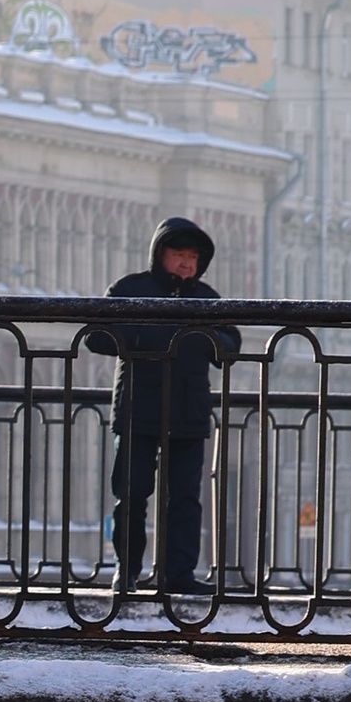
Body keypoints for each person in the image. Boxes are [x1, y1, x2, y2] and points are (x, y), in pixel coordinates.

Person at [81, 215, 239, 603]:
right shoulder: (130, 290)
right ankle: (127, 570)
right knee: (131, 496)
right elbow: (95, 337)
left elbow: (231, 344)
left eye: (193, 256)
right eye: (178, 254)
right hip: (138, 410)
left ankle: (178, 573)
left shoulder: (207, 298)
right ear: (160, 254)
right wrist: (147, 334)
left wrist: (202, 340)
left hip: (189, 412)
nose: (186, 263)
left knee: (185, 498)